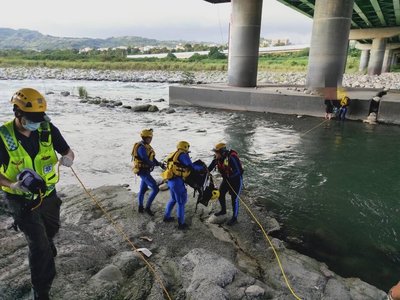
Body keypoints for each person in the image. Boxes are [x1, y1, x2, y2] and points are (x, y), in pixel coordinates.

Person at [0, 88, 75, 299]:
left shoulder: (47, 129)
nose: (36, 122)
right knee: (39, 246)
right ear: (18, 114)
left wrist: (69, 158)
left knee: (51, 230)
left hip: (48, 195)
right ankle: (41, 291)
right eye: (31, 118)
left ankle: (47, 242)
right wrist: (13, 185)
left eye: (38, 118)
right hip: (20, 200)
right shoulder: (3, 137)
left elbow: (67, 151)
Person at [162, 141, 204, 230]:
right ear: (185, 147)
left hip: (170, 180)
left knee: (173, 199)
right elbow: (191, 166)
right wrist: (201, 168)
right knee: (181, 202)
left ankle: (166, 217)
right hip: (177, 182)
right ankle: (181, 224)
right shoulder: (183, 155)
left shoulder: (173, 154)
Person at [208, 142, 243, 226]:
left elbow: (239, 171)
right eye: (215, 152)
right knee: (221, 194)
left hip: (236, 180)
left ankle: (234, 218)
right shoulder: (217, 158)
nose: (215, 154)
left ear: (222, 152)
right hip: (227, 180)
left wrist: (229, 178)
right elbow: (209, 168)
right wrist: (202, 172)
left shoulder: (232, 157)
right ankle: (223, 210)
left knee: (234, 199)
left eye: (216, 152)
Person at [131, 128, 163, 216]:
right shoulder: (141, 147)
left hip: (146, 171)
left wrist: (159, 164)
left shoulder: (146, 146)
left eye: (151, 138)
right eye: (150, 138)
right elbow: (145, 159)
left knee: (143, 189)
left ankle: (140, 207)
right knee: (155, 189)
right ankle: (147, 208)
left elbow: (152, 157)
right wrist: (153, 164)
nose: (151, 139)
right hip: (143, 171)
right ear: (145, 137)